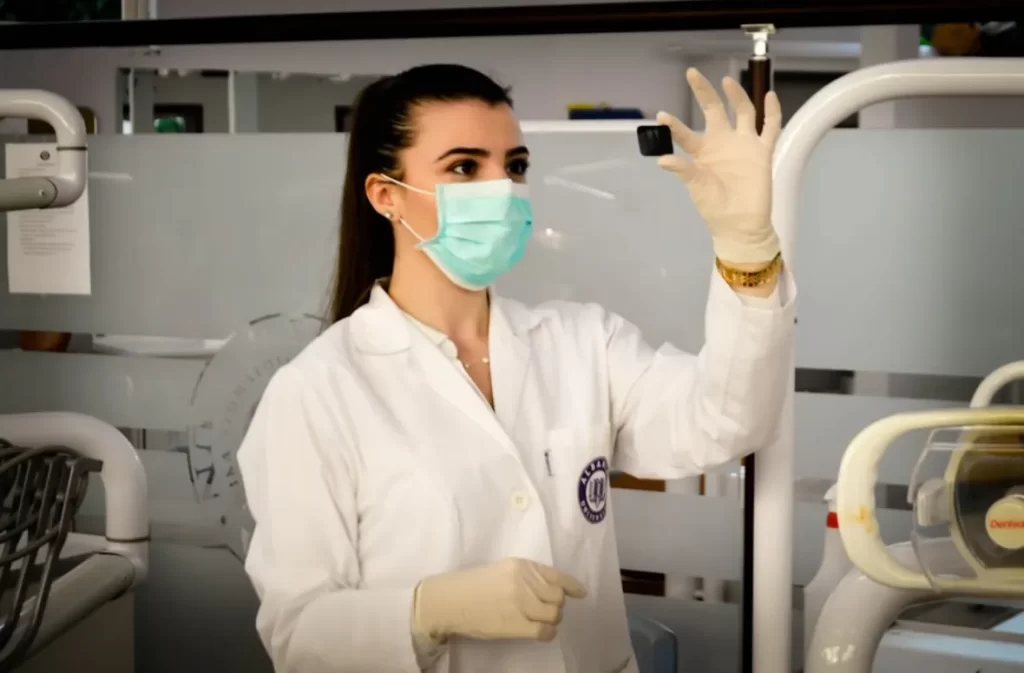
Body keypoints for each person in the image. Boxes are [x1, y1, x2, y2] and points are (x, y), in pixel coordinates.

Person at [237, 63, 795, 673]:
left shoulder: (581, 341)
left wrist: (746, 247)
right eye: (464, 167)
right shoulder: (317, 392)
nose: (501, 187)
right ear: (385, 195)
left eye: (516, 165)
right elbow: (299, 634)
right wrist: (427, 611)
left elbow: (726, 421)